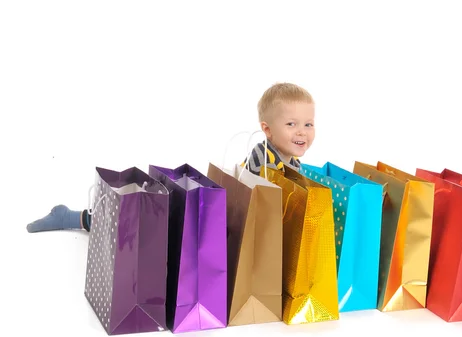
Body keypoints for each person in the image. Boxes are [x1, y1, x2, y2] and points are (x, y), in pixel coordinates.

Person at [26, 82, 316, 233]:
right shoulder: (266, 160)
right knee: (146, 225)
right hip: (212, 219)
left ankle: (82, 216)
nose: (301, 132)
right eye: (291, 124)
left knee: (152, 224)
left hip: (224, 223)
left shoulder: (289, 161)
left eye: (308, 124)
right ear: (266, 129)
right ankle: (72, 217)